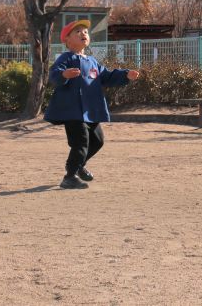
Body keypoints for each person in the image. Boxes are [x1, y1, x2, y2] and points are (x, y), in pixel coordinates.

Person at [44, 19, 140, 190]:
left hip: (90, 111)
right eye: (78, 31)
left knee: (97, 141)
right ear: (66, 40)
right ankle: (70, 176)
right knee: (80, 142)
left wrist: (125, 75)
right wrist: (64, 74)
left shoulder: (92, 61)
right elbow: (54, 74)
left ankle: (78, 165)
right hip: (72, 111)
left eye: (86, 32)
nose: (83, 34)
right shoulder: (66, 58)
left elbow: (107, 76)